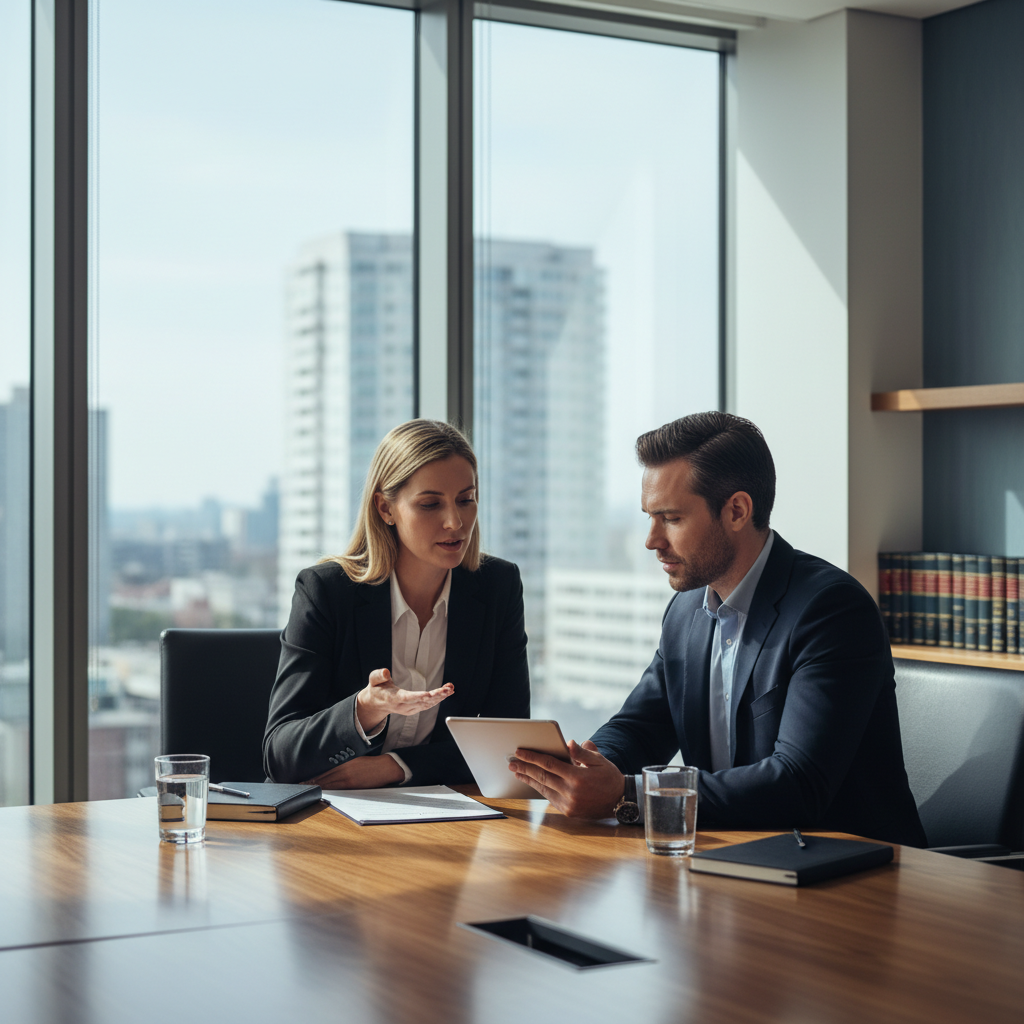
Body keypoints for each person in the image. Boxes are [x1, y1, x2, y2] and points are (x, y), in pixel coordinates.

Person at [509, 412, 926, 847]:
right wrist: (582, 767)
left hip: (848, 873)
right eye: (649, 517)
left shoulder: (831, 611)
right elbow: (640, 728)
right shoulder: (686, 610)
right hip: (730, 859)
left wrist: (626, 794)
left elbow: (798, 784)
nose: (651, 540)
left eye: (670, 518)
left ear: (737, 511)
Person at [264, 419, 530, 789]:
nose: (455, 521)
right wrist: (366, 708)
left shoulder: (497, 587)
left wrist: (396, 767)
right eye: (430, 504)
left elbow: (509, 745)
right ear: (386, 509)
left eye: (466, 500)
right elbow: (280, 755)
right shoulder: (326, 591)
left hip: (441, 819)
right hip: (327, 823)